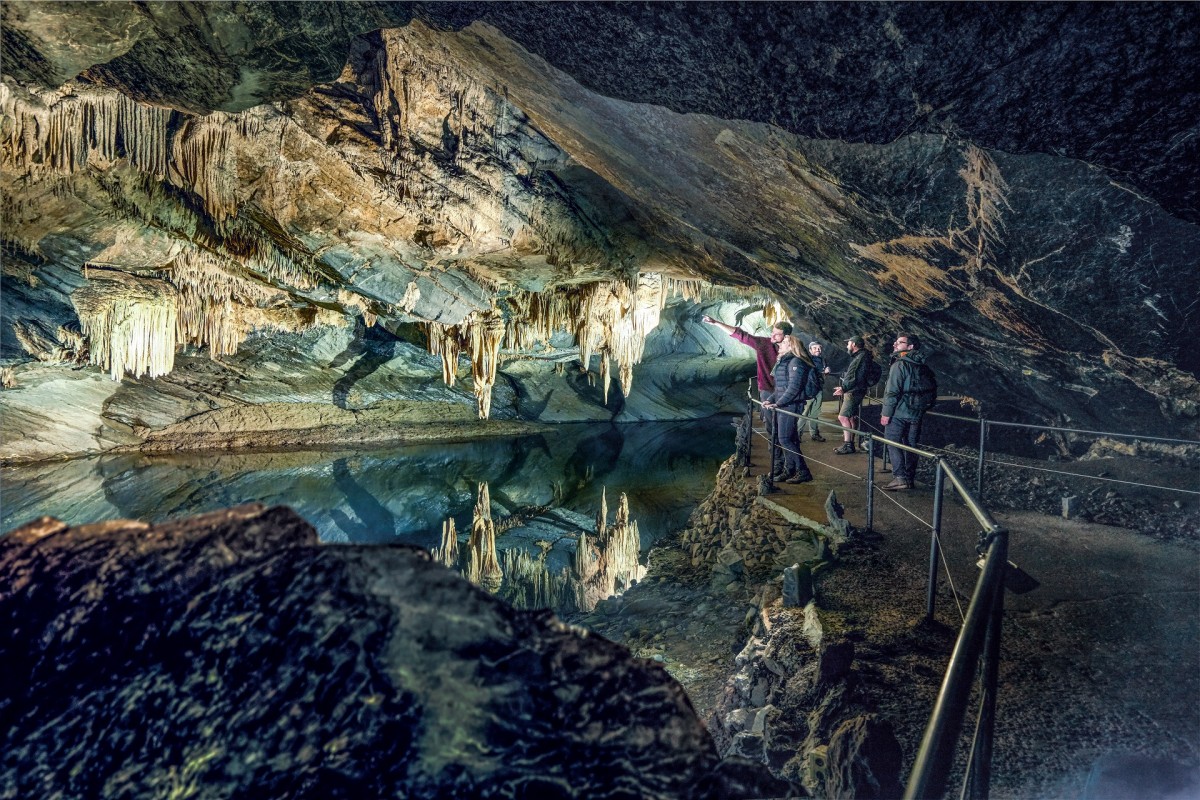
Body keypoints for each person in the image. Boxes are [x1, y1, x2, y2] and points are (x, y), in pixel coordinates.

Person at [880, 333, 938, 491]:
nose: (895, 345)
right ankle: (909, 478)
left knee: (892, 442)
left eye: (900, 342)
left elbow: (892, 392)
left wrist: (886, 413)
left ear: (910, 347)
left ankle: (900, 478)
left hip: (899, 412)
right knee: (911, 445)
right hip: (916, 413)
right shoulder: (922, 366)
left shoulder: (900, 365)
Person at [762, 335, 815, 484]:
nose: (781, 344)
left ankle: (803, 471)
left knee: (785, 439)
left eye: (785, 342)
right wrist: (770, 400)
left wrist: (778, 404)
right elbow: (781, 388)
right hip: (785, 404)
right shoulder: (786, 361)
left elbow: (794, 388)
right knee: (787, 438)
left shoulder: (795, 362)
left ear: (792, 346)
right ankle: (790, 469)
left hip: (791, 405)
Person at [701, 314, 792, 397]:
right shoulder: (764, 344)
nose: (772, 336)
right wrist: (716, 323)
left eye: (777, 335)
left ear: (786, 336)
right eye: (773, 332)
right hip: (767, 390)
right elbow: (741, 335)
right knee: (768, 414)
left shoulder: (793, 350)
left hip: (785, 390)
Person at [831, 336, 875, 454]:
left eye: (848, 344)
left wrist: (844, 387)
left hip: (853, 391)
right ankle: (850, 443)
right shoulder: (862, 356)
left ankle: (848, 445)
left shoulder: (861, 358)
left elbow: (856, 376)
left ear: (854, 345)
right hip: (855, 390)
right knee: (850, 417)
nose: (847, 346)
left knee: (843, 417)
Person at [800, 341, 830, 442]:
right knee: (803, 414)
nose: (818, 349)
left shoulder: (823, 360)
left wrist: (826, 372)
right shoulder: (807, 360)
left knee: (815, 414)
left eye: (819, 347)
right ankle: (797, 435)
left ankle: (814, 434)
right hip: (808, 391)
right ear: (810, 350)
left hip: (818, 390)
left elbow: (820, 375)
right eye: (815, 348)